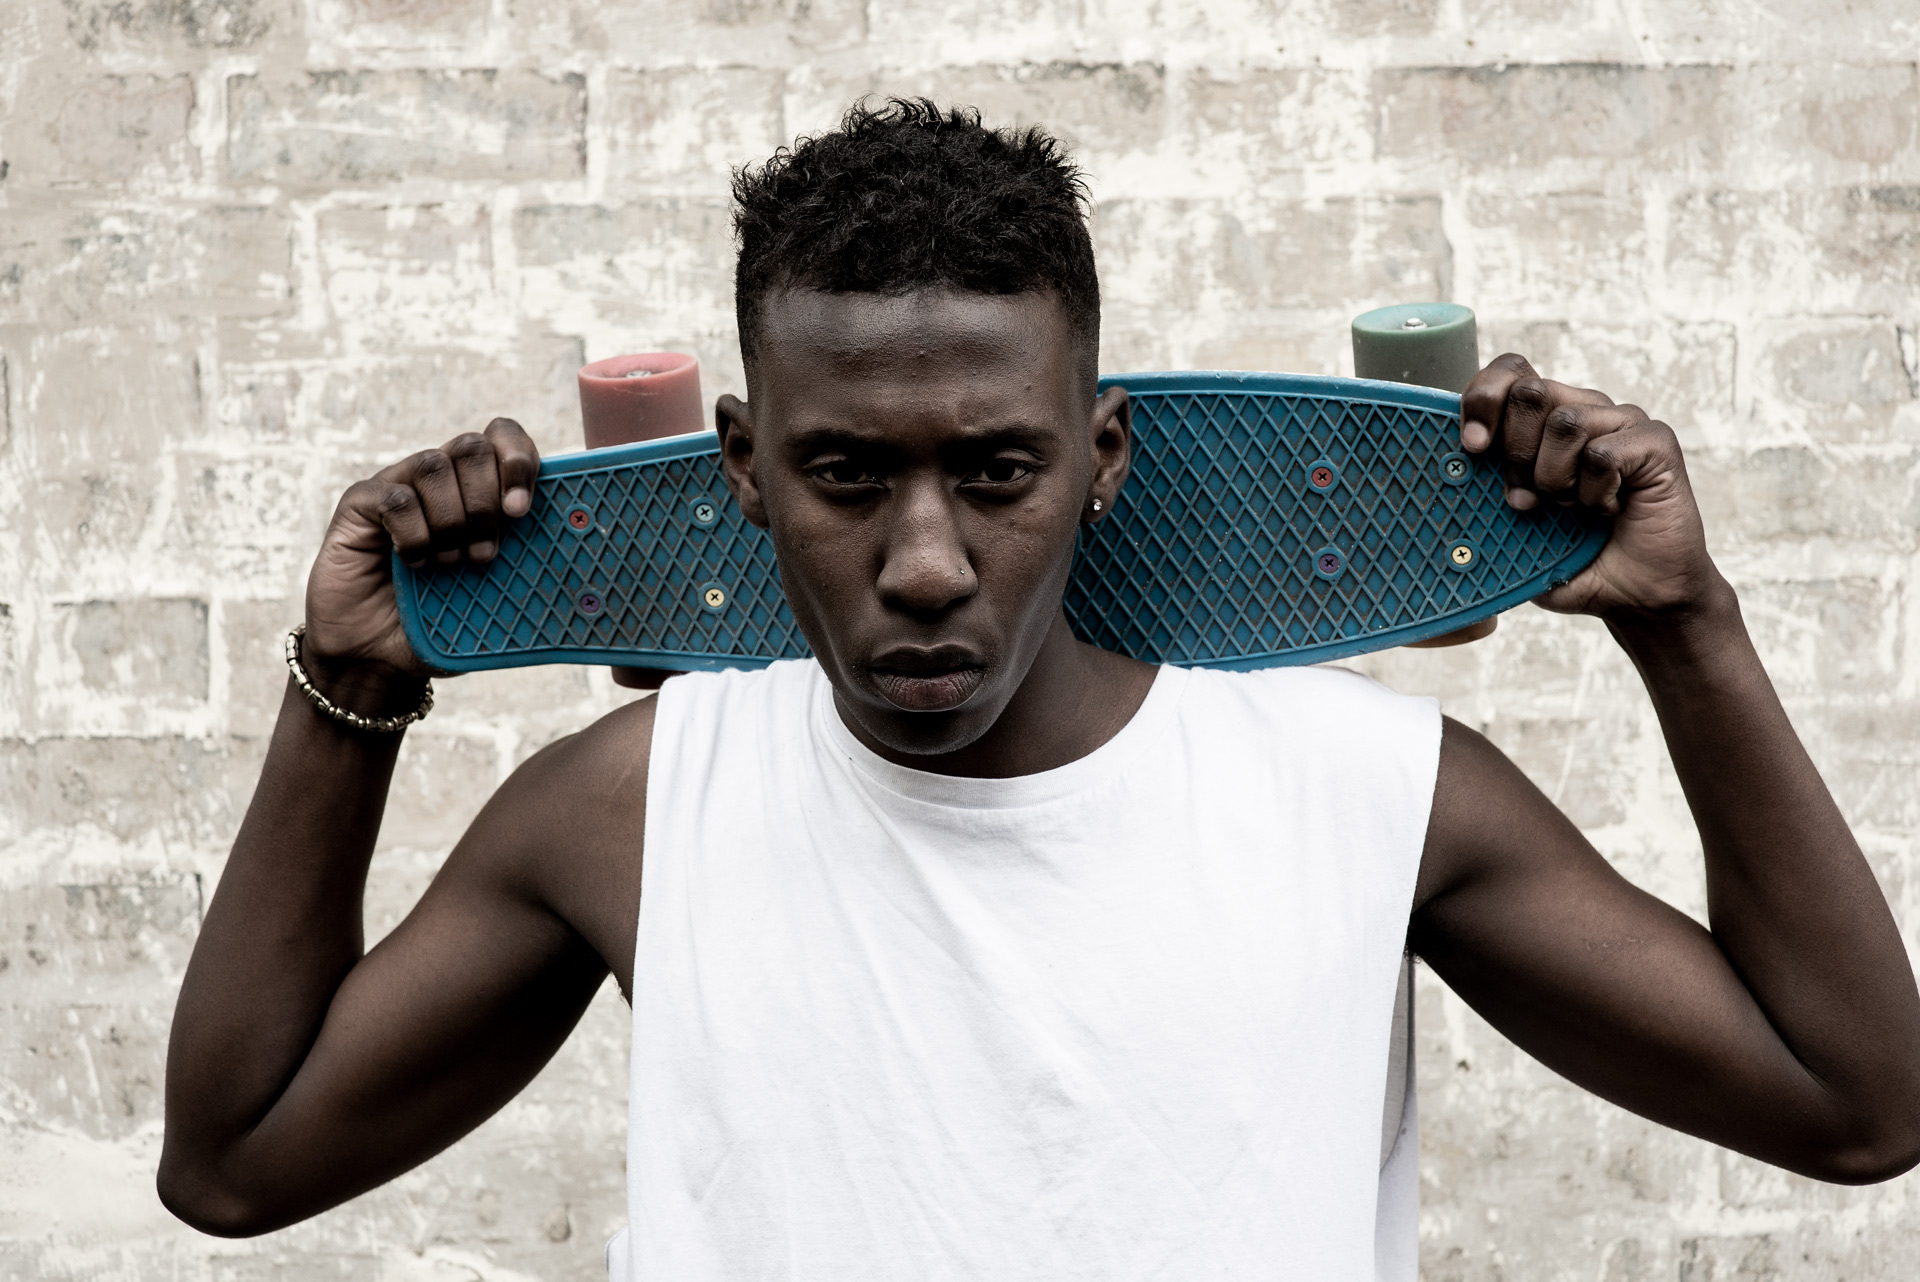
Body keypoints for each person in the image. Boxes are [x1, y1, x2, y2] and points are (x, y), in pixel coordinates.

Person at [159, 99, 1920, 1280]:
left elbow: (1860, 1104)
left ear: (1103, 455)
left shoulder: (1364, 788)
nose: (926, 557)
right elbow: (234, 1162)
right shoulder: (634, 806)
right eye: (848, 474)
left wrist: (1688, 626)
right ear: (746, 467)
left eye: (997, 469)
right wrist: (348, 686)